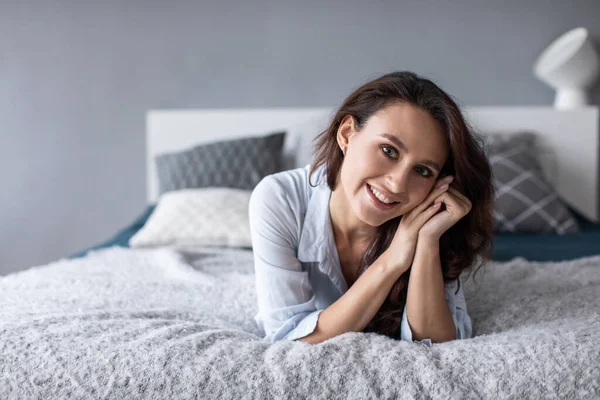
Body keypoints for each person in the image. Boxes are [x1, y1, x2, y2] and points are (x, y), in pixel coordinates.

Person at [249, 71, 494, 346]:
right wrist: (393, 260)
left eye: (422, 170)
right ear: (346, 134)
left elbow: (438, 344)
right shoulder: (280, 198)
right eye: (389, 151)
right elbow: (287, 339)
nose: (398, 184)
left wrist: (425, 241)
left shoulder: (430, 217)